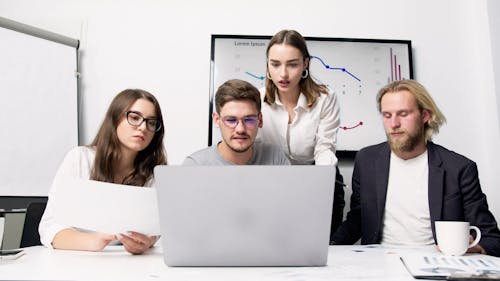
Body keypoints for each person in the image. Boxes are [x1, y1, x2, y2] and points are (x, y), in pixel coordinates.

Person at [332, 79, 500, 257]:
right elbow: (358, 218)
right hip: (379, 262)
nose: (394, 124)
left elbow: (491, 238)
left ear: (425, 115)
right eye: (387, 115)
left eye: (403, 114)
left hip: (435, 263)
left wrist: (475, 246)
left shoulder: (459, 168)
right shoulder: (367, 160)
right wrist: (329, 246)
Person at [39, 89, 167, 254]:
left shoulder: (153, 174)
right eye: (135, 118)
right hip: (74, 262)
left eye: (151, 122)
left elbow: (155, 230)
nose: (143, 127)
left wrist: (146, 241)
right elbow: (50, 228)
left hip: (129, 266)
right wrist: (96, 241)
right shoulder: (80, 158)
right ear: (115, 118)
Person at [258, 29, 345, 239]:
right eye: (275, 64)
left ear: (306, 63)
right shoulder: (257, 99)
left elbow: (324, 148)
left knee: (319, 246)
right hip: (273, 184)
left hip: (317, 178)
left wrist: (318, 187)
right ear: (268, 64)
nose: (283, 74)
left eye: (293, 64)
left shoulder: (325, 98)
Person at [184, 79, 289, 165]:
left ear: (260, 120)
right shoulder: (195, 165)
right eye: (231, 120)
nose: (240, 129)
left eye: (249, 120)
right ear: (216, 120)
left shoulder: (276, 158)